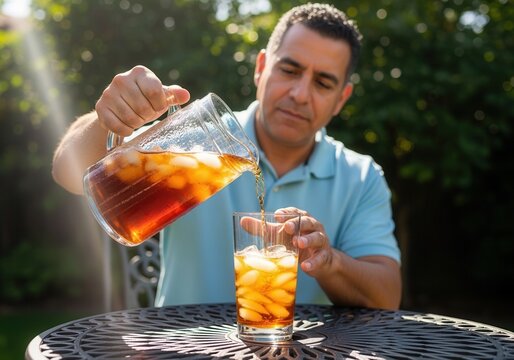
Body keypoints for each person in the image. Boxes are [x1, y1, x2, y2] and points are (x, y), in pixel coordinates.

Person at [52, 3, 402, 309]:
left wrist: (328, 261)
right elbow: (67, 172)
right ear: (261, 67)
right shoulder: (197, 139)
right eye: (289, 70)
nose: (299, 94)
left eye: (323, 83)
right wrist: (106, 120)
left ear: (342, 98)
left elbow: (386, 297)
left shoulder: (360, 177)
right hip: (177, 352)